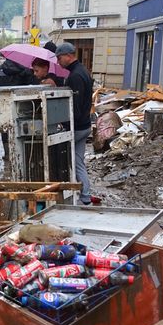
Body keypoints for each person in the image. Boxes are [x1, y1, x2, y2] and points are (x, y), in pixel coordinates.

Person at [53, 42, 95, 205]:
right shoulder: (82, 71)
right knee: (78, 163)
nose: (58, 61)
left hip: (77, 126)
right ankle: (85, 197)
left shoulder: (75, 75)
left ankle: (72, 197)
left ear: (68, 56)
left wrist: (64, 123)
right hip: (84, 125)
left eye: (59, 57)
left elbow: (74, 106)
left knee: (64, 162)